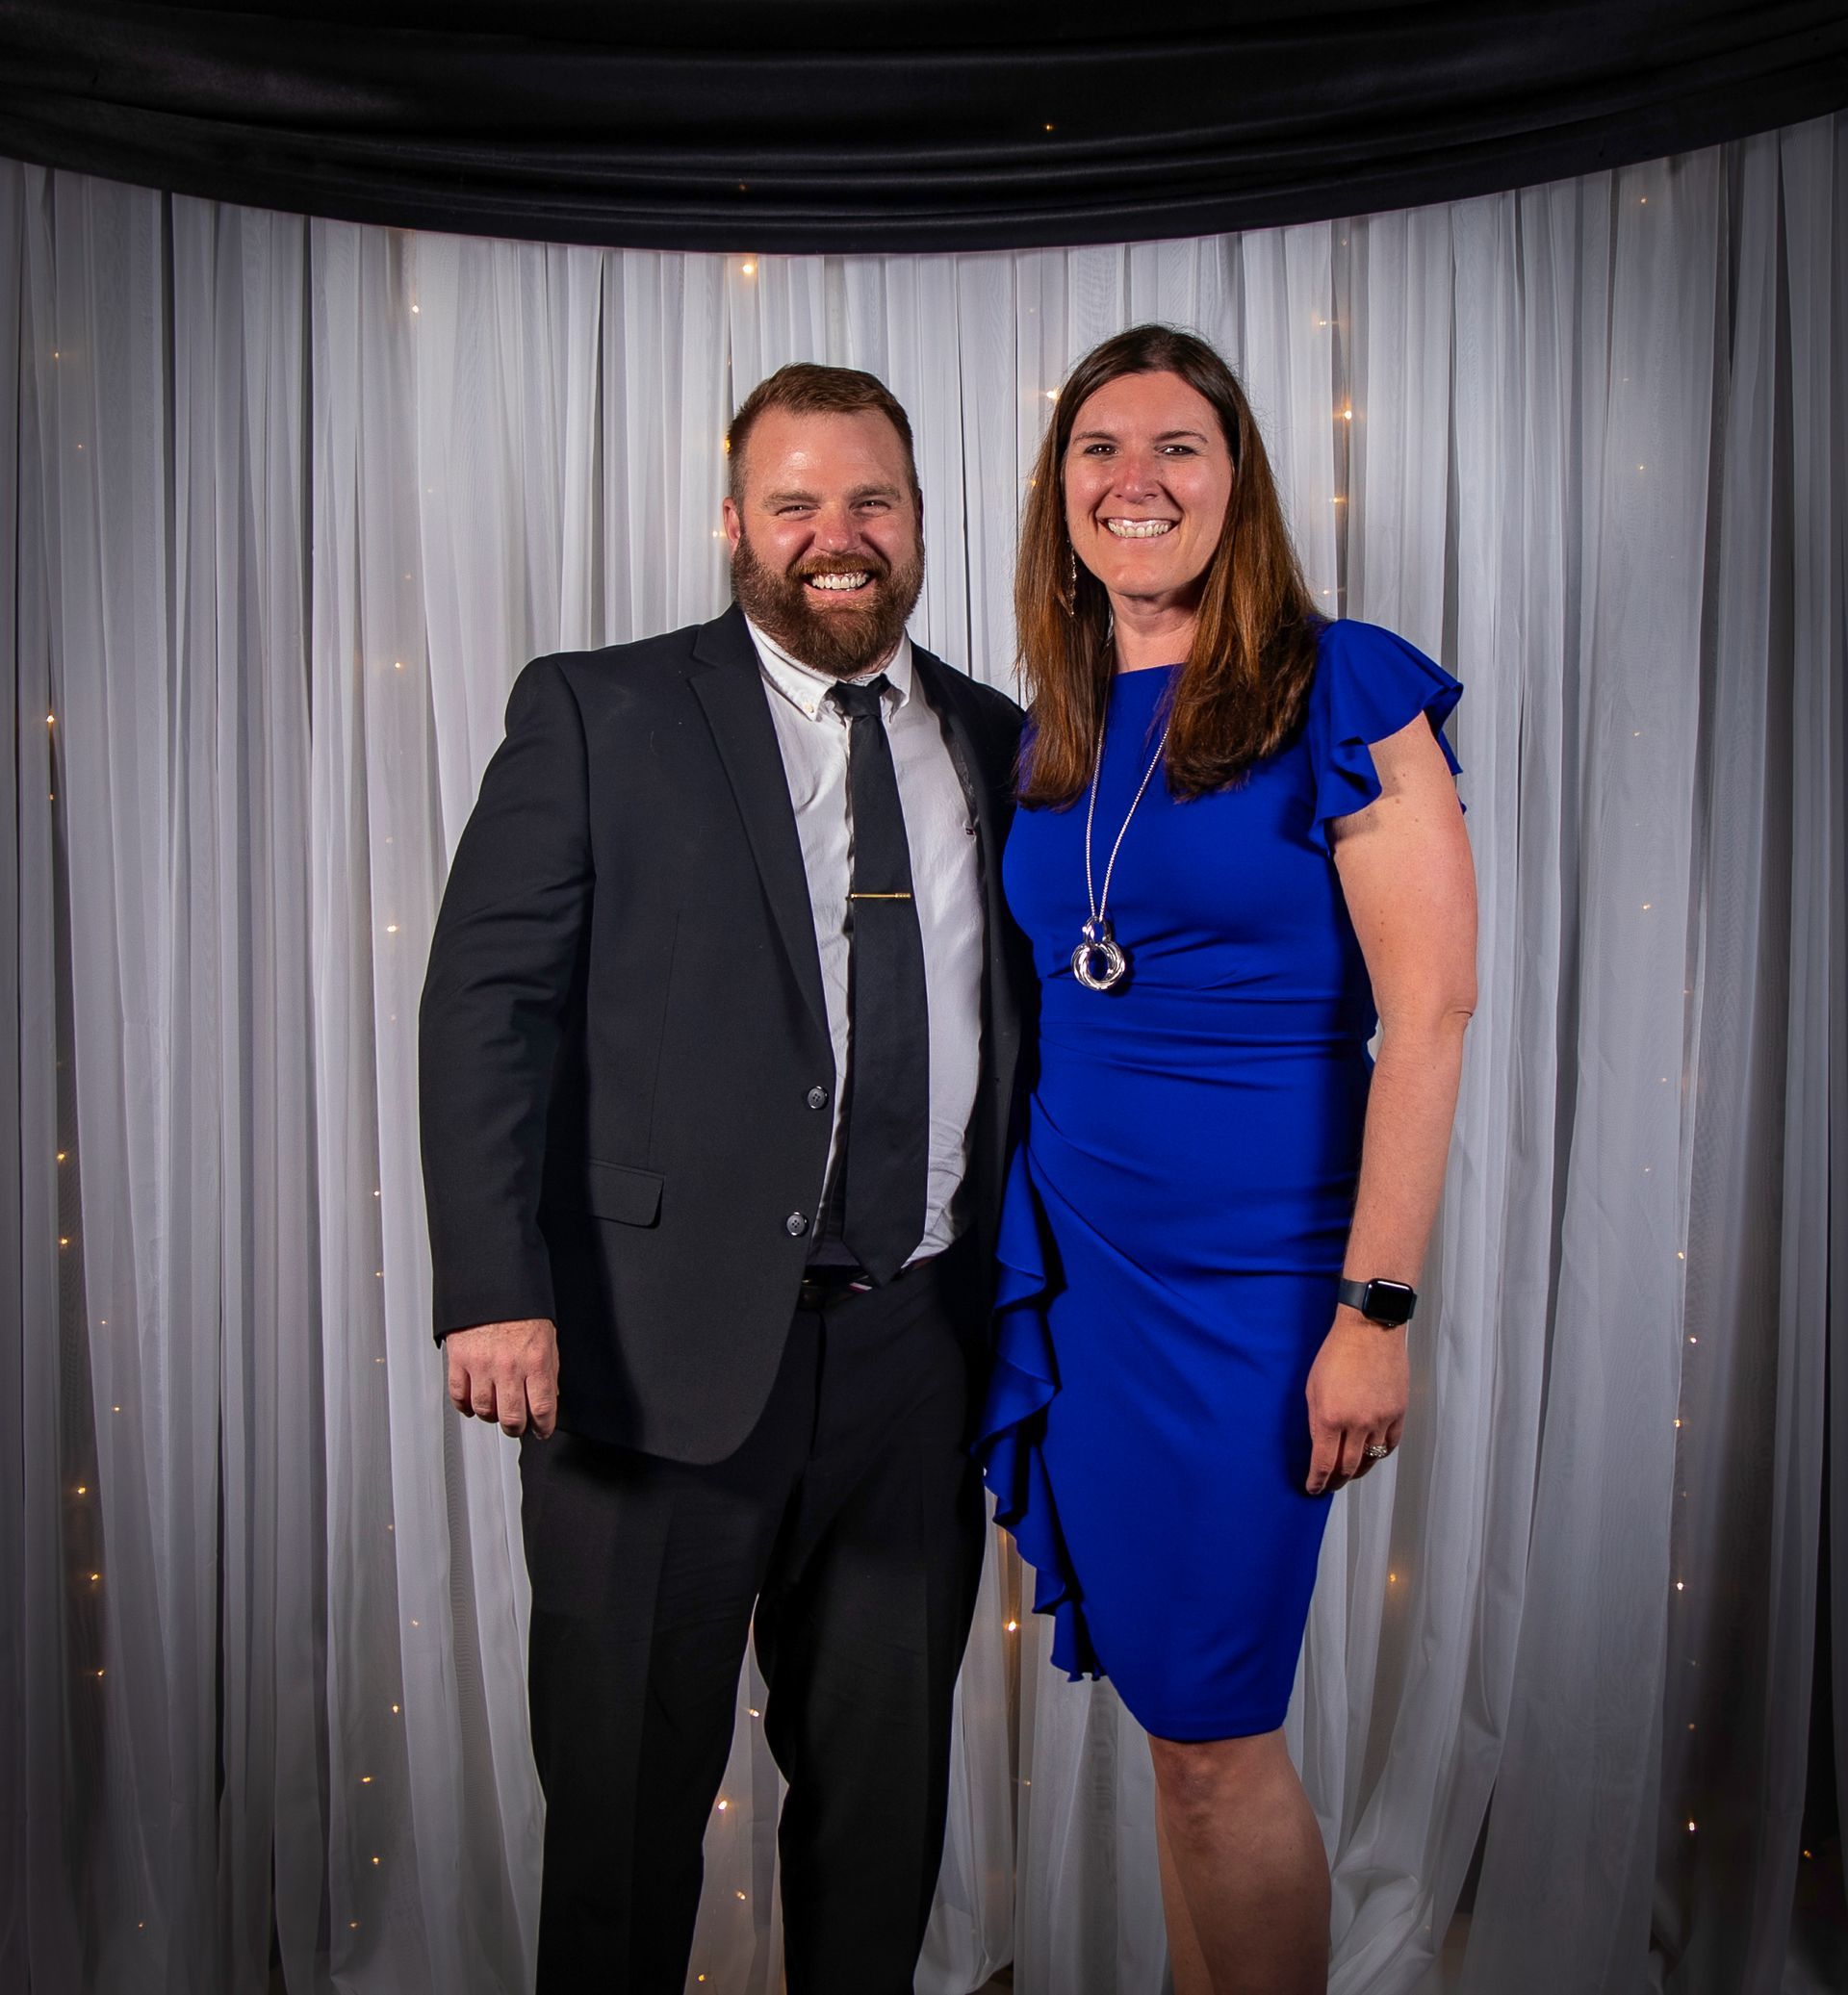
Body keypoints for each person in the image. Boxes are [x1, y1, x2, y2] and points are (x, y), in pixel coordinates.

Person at [419, 362, 1026, 1994]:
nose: (839, 537)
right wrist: (494, 1289)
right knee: (622, 1819)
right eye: (798, 503)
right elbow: (488, 1002)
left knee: (883, 1820)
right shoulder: (598, 707)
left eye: (873, 501)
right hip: (644, 1357)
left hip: (910, 1359)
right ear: (736, 524)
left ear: (919, 519)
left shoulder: (999, 737)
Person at [977, 324, 1476, 1994]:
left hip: (1264, 1287)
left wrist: (1377, 1308)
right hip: (1090, 1271)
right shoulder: (1047, 722)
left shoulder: (1346, 684)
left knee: (1215, 1734)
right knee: (1173, 1732)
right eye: (1099, 450)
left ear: (1240, 478)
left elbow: (1438, 1012)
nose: (1138, 481)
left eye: (1179, 445)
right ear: (1059, 499)